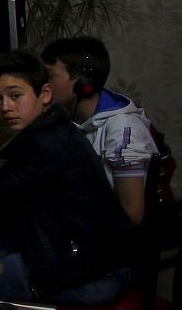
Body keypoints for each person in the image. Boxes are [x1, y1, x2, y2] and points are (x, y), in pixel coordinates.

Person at [0, 50, 132, 306]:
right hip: (96, 262)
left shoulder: (46, 143)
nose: (5, 107)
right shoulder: (55, 126)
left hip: (93, 278)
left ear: (45, 94)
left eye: (15, 96)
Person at [42, 35, 159, 226]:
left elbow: (131, 215)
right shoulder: (72, 120)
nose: (42, 85)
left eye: (49, 76)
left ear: (83, 82)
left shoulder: (122, 130)